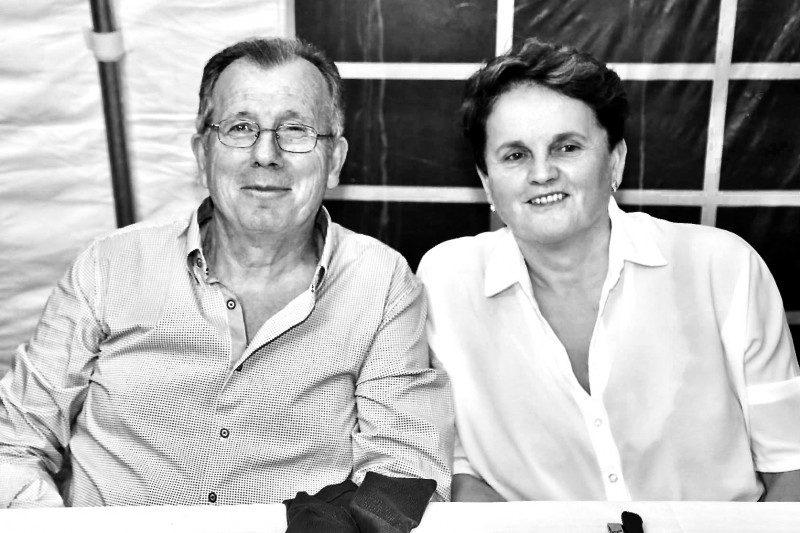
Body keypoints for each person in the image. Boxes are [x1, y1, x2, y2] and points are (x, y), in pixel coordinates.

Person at [0, 37, 452, 507]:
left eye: (295, 129)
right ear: (202, 155)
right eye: (240, 127)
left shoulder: (381, 283)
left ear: (334, 160)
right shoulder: (109, 267)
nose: (266, 154)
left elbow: (404, 475)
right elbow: (13, 442)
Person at [417, 37, 800, 502]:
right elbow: (453, 466)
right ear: (486, 181)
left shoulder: (723, 268)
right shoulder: (444, 282)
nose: (542, 173)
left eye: (567, 147)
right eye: (515, 155)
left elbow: (791, 464)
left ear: (615, 160)